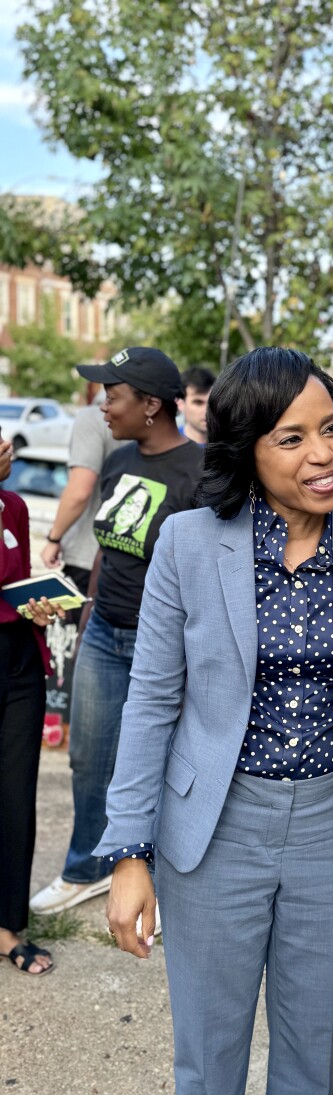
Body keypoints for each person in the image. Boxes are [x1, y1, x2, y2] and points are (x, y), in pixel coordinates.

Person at [96, 347, 333, 1095]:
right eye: (291, 438)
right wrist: (129, 851)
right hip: (213, 829)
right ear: (246, 445)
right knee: (208, 1058)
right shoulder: (186, 542)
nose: (323, 454)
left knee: (306, 1050)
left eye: (331, 429)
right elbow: (152, 700)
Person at [30, 347, 204, 915]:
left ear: (151, 404)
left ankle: (158, 877)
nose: (104, 405)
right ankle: (87, 867)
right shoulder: (119, 461)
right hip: (105, 632)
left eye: (115, 394)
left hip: (167, 647)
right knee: (90, 757)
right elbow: (108, 546)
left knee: (167, 766)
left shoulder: (200, 474)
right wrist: (87, 607)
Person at [0, 437, 68, 975]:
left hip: (20, 662)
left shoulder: (15, 506)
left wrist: (38, 607)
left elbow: (14, 589)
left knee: (17, 792)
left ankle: (7, 925)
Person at [40, 399, 124, 595]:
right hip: (129, 562)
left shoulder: (92, 418)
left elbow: (79, 491)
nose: (104, 408)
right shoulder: (156, 427)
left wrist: (54, 538)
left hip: (87, 553)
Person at [178, 366, 215, 445]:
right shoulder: (167, 444)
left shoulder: (229, 447)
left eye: (212, 402)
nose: (207, 410)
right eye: (198, 402)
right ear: (180, 404)